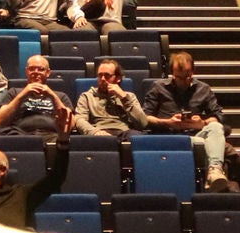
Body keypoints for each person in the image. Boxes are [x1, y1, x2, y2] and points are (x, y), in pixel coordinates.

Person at [141, 50, 231, 188]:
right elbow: (145, 118)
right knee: (208, 144)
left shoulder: (203, 89)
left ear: (193, 71)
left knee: (216, 128)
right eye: (179, 77)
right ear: (172, 74)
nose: (184, 81)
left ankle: (215, 171)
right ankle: (210, 181)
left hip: (195, 134)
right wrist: (168, 122)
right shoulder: (158, 88)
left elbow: (218, 116)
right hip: (169, 137)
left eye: (188, 76)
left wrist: (202, 123)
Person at [0, 54, 74, 137]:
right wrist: (23, 94)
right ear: (26, 71)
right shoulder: (14, 92)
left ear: (48, 73)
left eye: (41, 69)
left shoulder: (61, 96)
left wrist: (52, 96)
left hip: (53, 137)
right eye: (32, 69)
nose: (36, 72)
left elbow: (70, 125)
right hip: (20, 137)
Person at [72, 58, 150, 136]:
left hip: (124, 132)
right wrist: (94, 132)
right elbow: (80, 119)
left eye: (107, 75)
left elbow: (143, 123)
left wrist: (124, 98)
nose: (102, 79)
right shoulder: (87, 96)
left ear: (118, 78)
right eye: (100, 75)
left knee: (141, 138)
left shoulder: (129, 96)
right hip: (99, 132)